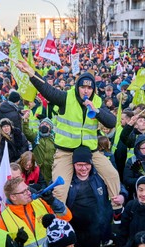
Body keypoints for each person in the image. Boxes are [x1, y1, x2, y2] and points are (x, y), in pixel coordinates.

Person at [16, 60, 121, 212]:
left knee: (112, 175)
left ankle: (116, 209)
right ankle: (59, 219)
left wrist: (96, 111)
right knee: (60, 188)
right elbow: (47, 90)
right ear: (77, 87)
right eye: (83, 87)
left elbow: (111, 122)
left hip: (90, 152)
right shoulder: (66, 97)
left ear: (93, 90)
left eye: (89, 88)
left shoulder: (97, 101)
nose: (86, 91)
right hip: (66, 152)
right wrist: (32, 73)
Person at [67, 146, 125, 247]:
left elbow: (119, 187)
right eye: (79, 165)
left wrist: (122, 196)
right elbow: (53, 192)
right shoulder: (67, 179)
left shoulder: (100, 176)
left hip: (94, 229)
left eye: (86, 164)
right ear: (73, 164)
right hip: (73, 228)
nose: (83, 168)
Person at [0, 177, 72, 247]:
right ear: (13, 197)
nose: (29, 192)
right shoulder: (3, 220)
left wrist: (53, 201)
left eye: (27, 189)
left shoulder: (40, 203)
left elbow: (67, 217)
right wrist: (17, 244)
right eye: (24, 192)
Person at [0, 118, 28, 187]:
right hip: (8, 166)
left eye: (7, 126)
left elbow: (25, 145)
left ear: (10, 126)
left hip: (21, 162)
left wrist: (21, 157)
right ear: (1, 128)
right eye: (4, 127)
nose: (6, 128)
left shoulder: (18, 133)